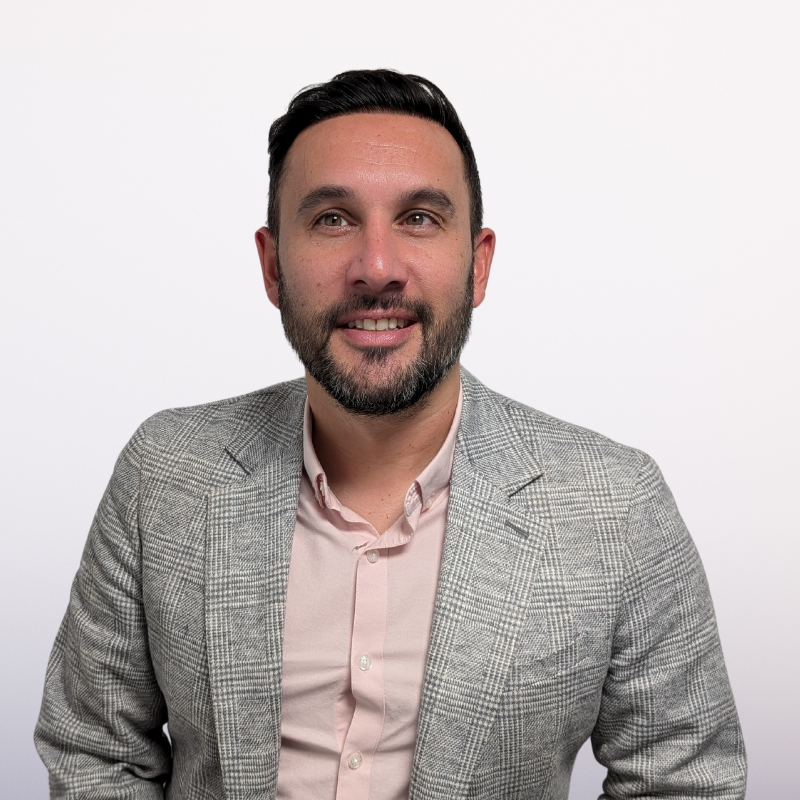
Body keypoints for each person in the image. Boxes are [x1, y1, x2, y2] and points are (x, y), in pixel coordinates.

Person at [34, 69, 746, 800]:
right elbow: (97, 751)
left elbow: (683, 780)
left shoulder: (618, 507)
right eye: (333, 218)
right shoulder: (165, 474)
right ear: (274, 265)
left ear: (478, 264)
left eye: (420, 219)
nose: (377, 268)